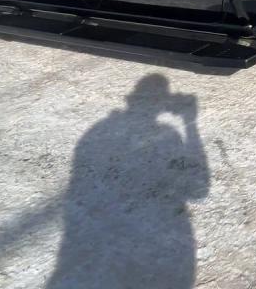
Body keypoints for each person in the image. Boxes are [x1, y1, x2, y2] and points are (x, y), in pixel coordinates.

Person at [47, 74, 208, 289]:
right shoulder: (168, 133)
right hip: (153, 247)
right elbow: (198, 191)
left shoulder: (99, 130)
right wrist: (191, 123)